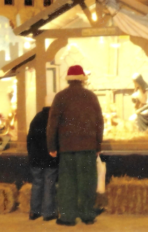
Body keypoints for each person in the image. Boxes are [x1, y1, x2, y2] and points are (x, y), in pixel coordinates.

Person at [47, 65, 104, 226]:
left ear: (68, 79)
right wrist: (98, 145)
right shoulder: (91, 96)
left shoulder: (60, 97)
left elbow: (52, 124)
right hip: (87, 147)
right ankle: (87, 215)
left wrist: (52, 146)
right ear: (83, 79)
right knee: (87, 181)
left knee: (67, 183)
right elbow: (99, 123)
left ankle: (67, 217)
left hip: (67, 147)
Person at [27, 94, 59, 221]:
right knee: (49, 184)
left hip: (35, 158)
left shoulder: (37, 117)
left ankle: (34, 212)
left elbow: (29, 139)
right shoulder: (54, 119)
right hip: (50, 158)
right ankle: (48, 213)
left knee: (37, 183)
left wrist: (31, 154)